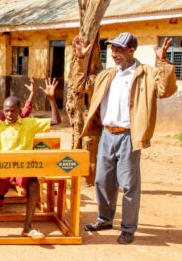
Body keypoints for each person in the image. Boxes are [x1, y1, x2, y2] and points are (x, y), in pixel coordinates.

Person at [73, 33, 178, 244]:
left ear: (131, 51)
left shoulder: (147, 74)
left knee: (129, 184)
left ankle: (128, 228)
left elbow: (166, 90)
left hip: (129, 135)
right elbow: (82, 84)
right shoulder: (107, 75)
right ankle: (104, 218)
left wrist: (164, 62)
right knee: (102, 181)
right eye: (113, 50)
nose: (114, 54)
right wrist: (81, 59)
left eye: (119, 50)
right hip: (107, 135)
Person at [0, 78, 61, 240]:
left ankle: (28, 227)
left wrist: (51, 99)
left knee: (34, 183)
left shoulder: (29, 123)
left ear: (19, 110)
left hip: (23, 165)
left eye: (13, 111)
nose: (9, 114)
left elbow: (56, 121)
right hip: (4, 166)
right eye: (6, 111)